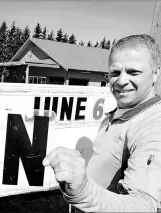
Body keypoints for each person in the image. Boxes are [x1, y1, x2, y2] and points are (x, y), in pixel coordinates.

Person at [43, 34, 161, 212]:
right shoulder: (118, 114)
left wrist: (82, 192)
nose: (121, 81)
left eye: (133, 72)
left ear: (155, 73)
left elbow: (144, 205)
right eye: (114, 73)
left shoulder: (153, 126)